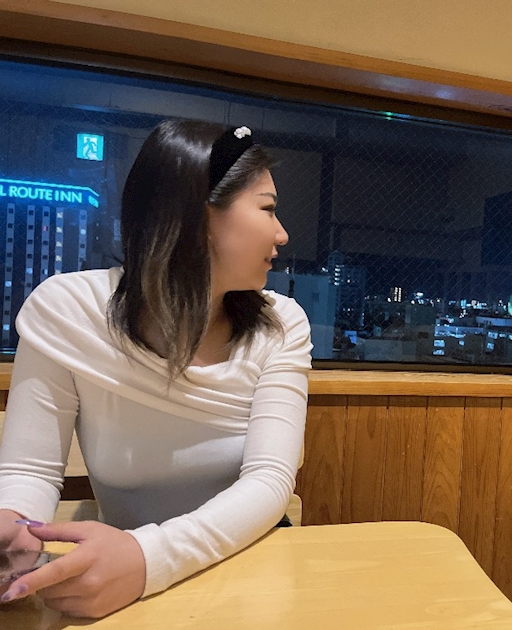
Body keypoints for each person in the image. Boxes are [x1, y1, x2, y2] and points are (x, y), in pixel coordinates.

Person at [0, 119, 312, 618]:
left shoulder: (281, 324)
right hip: (118, 579)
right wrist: (15, 529)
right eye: (268, 208)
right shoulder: (68, 311)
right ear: (197, 214)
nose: (282, 233)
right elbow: (29, 470)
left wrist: (149, 558)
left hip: (246, 570)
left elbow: (269, 482)